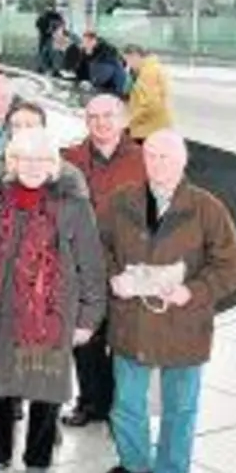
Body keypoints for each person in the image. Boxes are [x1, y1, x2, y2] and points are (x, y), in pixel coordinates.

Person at [97, 130, 236, 473]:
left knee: (180, 406)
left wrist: (192, 291)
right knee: (126, 403)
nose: (157, 164)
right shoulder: (121, 202)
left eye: (166, 157)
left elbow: (233, 266)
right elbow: (97, 246)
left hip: (184, 325)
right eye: (151, 156)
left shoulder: (207, 208)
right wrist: (112, 276)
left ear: (183, 161)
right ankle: (135, 463)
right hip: (132, 320)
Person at [0, 128, 106, 473]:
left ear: (54, 164)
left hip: (50, 316)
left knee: (45, 388)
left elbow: (91, 265)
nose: (32, 166)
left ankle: (38, 460)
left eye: (41, 159)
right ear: (12, 161)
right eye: (24, 158)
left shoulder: (73, 204)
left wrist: (89, 317)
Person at [59, 94, 146, 429]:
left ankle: (121, 410)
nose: (101, 123)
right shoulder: (70, 158)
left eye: (108, 115)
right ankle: (92, 402)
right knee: (86, 339)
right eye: (93, 116)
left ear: (122, 119)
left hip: (128, 266)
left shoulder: (143, 159)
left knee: (123, 341)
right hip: (83, 265)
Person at [123, 45, 173, 142]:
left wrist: (130, 120)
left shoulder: (148, 72)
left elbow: (150, 103)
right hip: (149, 127)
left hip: (149, 129)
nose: (128, 64)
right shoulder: (143, 70)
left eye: (128, 60)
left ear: (135, 56)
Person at [82, 32, 130, 98]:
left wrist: (91, 85)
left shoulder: (105, 54)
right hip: (110, 88)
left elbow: (101, 77)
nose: (84, 45)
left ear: (93, 41)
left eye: (86, 42)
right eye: (83, 42)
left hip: (116, 90)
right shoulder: (95, 54)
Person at [36, 3, 66, 75]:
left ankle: (52, 68)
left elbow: (62, 23)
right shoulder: (45, 16)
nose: (49, 9)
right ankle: (43, 67)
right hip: (45, 36)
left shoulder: (55, 16)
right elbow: (38, 24)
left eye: (50, 7)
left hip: (51, 36)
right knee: (44, 52)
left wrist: (54, 29)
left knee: (51, 52)